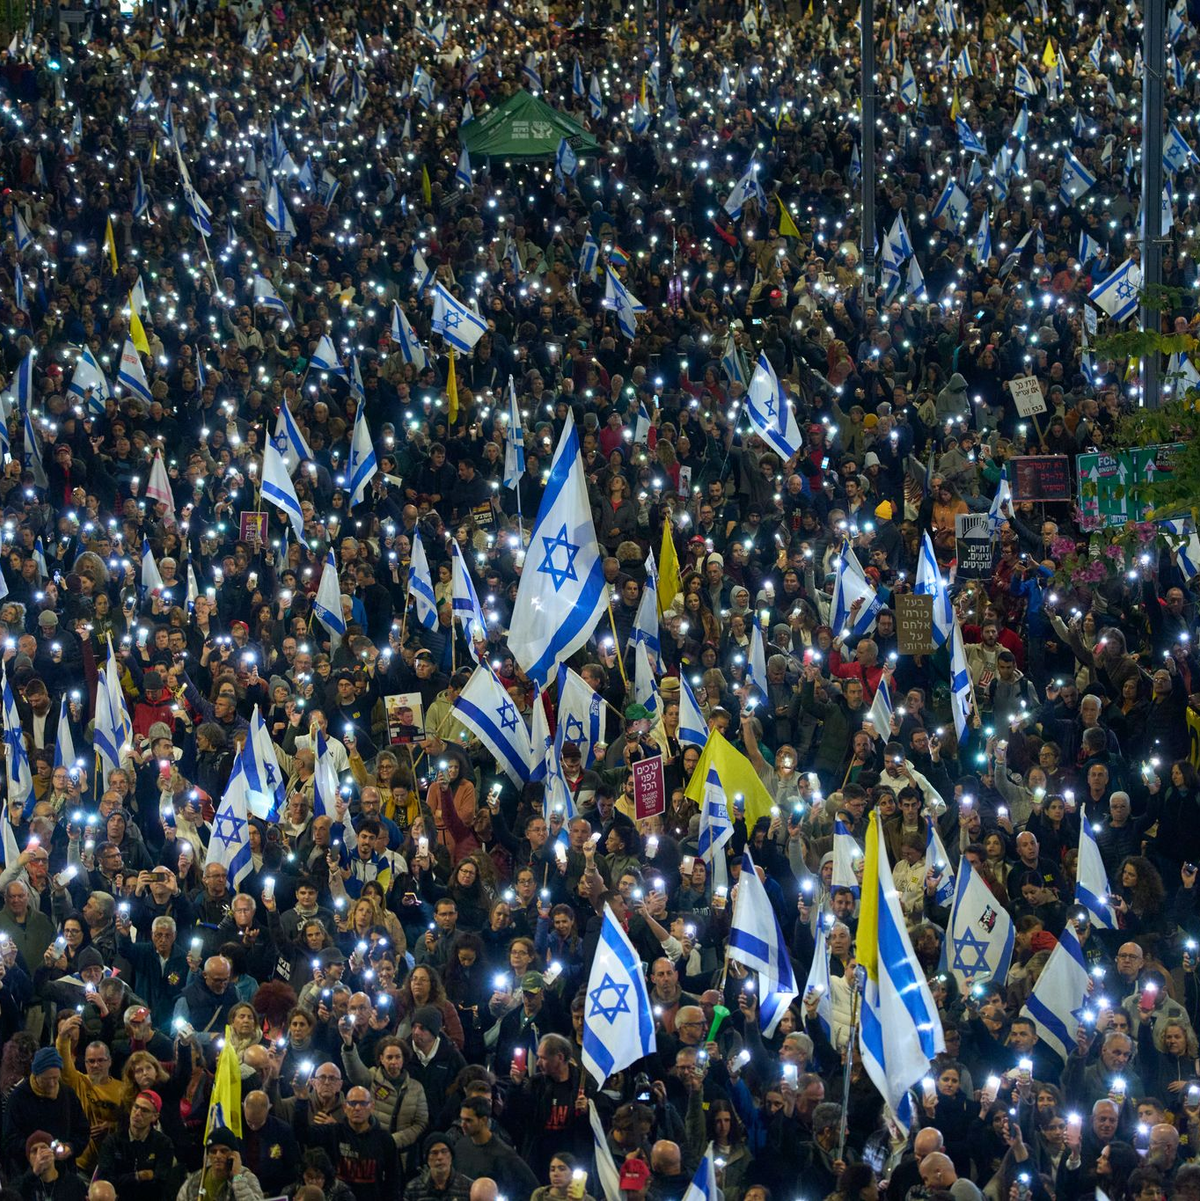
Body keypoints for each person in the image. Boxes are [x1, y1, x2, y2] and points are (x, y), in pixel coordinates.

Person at [93, 1090, 177, 1201]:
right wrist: (139, 1176)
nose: (137, 1113)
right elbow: (105, 1180)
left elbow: (161, 1183)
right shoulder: (112, 1141)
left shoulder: (163, 1144)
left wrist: (122, 1179)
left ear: (155, 1116)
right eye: (136, 1107)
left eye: (144, 1110)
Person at [176, 1129, 264, 1201]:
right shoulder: (196, 1180)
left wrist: (237, 1177)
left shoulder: (246, 1177)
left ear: (234, 1154)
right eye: (213, 1151)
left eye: (224, 1151)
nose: (218, 1156)